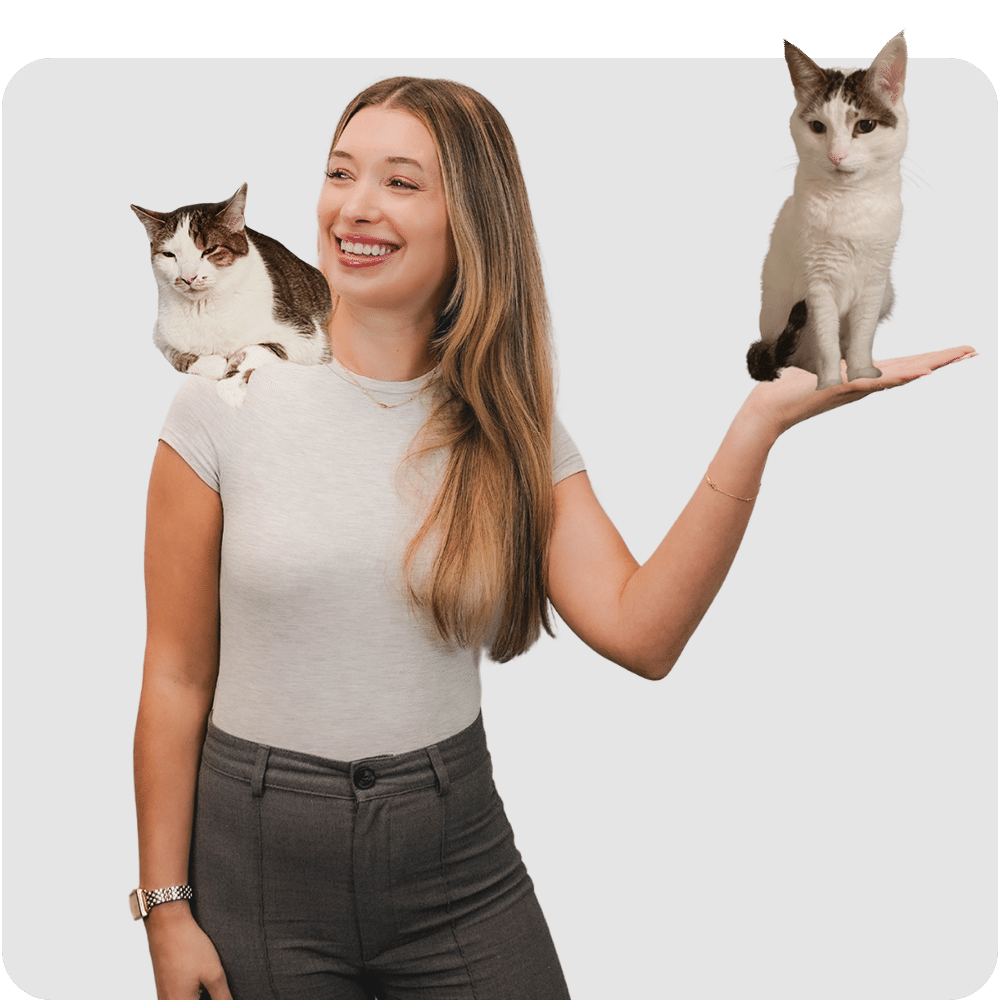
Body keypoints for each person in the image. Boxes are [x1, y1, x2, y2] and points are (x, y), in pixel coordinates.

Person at [133, 76, 974, 1000]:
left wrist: (757, 427)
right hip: (259, 867)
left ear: (471, 220)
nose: (355, 206)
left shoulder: (508, 428)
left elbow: (642, 634)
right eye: (341, 173)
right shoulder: (221, 401)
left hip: (453, 862)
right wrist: (166, 911)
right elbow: (175, 674)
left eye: (401, 182)